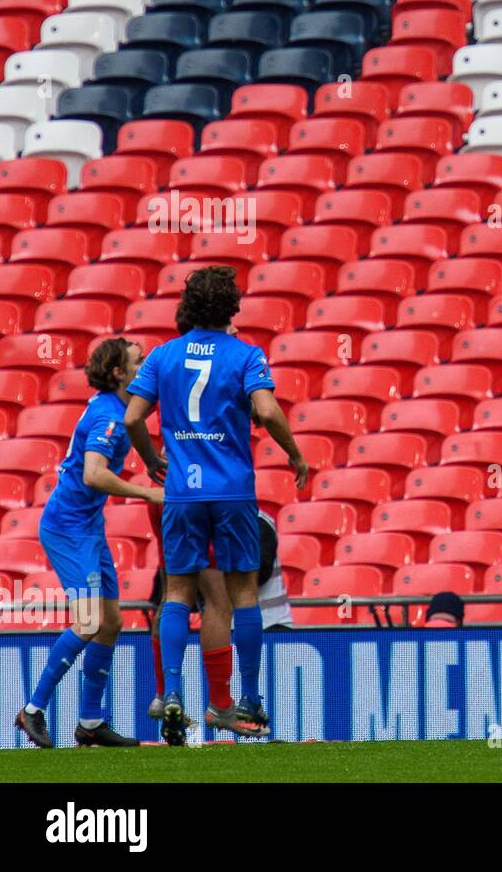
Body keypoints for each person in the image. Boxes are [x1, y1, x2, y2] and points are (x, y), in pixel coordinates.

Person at [124, 265, 308, 745]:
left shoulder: (162, 356)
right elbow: (266, 411)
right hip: (232, 491)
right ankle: (247, 698)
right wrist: (294, 453)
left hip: (182, 491)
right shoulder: (246, 354)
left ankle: (175, 696)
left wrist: (152, 460)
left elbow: (132, 417)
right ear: (230, 307)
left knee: (178, 593)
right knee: (243, 593)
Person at [14, 339, 161, 748]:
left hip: (88, 527)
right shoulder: (108, 418)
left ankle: (91, 723)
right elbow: (94, 474)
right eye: (138, 361)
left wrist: (154, 463)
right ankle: (32, 710)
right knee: (89, 622)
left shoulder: (119, 410)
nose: (144, 364)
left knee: (110, 622)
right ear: (118, 372)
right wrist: (147, 492)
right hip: (67, 529)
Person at [144, 508, 285, 737]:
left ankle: (165, 693)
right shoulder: (252, 514)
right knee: (221, 602)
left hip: (171, 499)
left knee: (173, 594)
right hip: (216, 500)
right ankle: (228, 703)